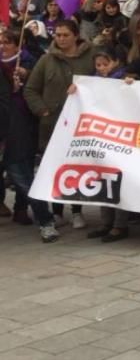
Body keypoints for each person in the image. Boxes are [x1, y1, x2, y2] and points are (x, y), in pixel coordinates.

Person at [23, 20, 96, 231]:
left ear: (75, 36)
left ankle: (77, 211)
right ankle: (56, 212)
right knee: (55, 167)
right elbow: (31, 89)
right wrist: (42, 110)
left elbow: (103, 80)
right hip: (52, 125)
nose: (61, 39)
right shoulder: (46, 60)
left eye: (65, 35)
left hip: (81, 125)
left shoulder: (90, 57)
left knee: (77, 167)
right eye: (58, 35)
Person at [0, 30, 58, 242]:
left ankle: (46, 221)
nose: (2, 46)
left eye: (6, 42)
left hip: (15, 129)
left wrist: (18, 85)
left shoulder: (27, 63)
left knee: (23, 178)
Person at [86, 47, 130, 242]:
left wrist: (129, 84)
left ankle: (120, 225)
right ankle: (106, 222)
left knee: (118, 181)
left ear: (115, 63)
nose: (102, 68)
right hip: (102, 136)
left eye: (106, 64)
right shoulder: (93, 82)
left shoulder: (122, 79)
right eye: (98, 65)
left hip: (120, 136)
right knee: (103, 179)